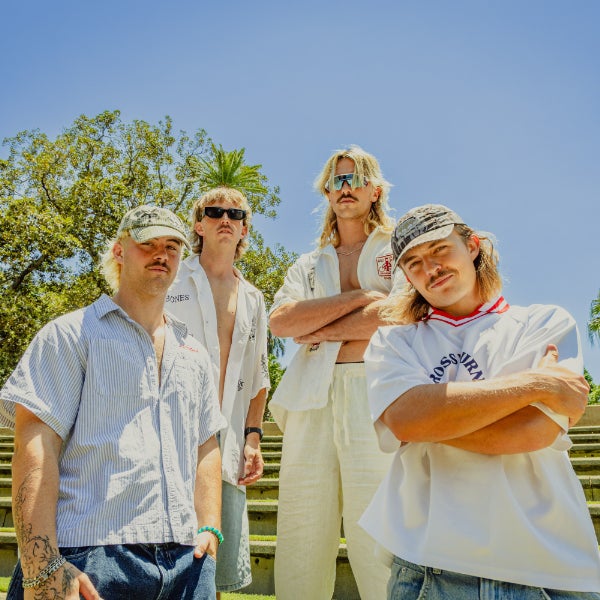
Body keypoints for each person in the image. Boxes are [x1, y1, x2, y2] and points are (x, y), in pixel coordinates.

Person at [361, 203, 600, 599]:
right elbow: (406, 418)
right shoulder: (393, 341)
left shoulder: (544, 322)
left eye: (440, 249)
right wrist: (537, 382)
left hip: (549, 568)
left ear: (472, 245)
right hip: (430, 567)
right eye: (414, 263)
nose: (431, 268)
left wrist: (431, 420)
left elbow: (533, 431)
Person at [0, 205, 227, 600]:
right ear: (119, 251)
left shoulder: (194, 352)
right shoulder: (70, 335)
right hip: (89, 555)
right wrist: (41, 565)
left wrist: (210, 528)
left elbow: (206, 444)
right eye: (148, 244)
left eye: (172, 246)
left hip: (186, 562)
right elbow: (35, 444)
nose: (161, 254)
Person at [269, 145, 402, 599]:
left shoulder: (398, 250)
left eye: (355, 178)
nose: (346, 188)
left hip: (377, 393)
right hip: (311, 397)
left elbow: (398, 314)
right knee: (301, 534)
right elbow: (282, 323)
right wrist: (361, 299)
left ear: (375, 190)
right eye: (337, 181)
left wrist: (319, 328)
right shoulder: (308, 263)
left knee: (379, 534)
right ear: (327, 192)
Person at [167, 187, 270, 596]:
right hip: (171, 428)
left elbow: (259, 374)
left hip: (227, 438)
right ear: (198, 225)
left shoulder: (254, 298)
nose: (225, 219)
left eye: (235, 214)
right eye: (214, 212)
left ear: (244, 229)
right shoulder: (171, 276)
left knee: (214, 560)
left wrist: (253, 437)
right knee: (164, 555)